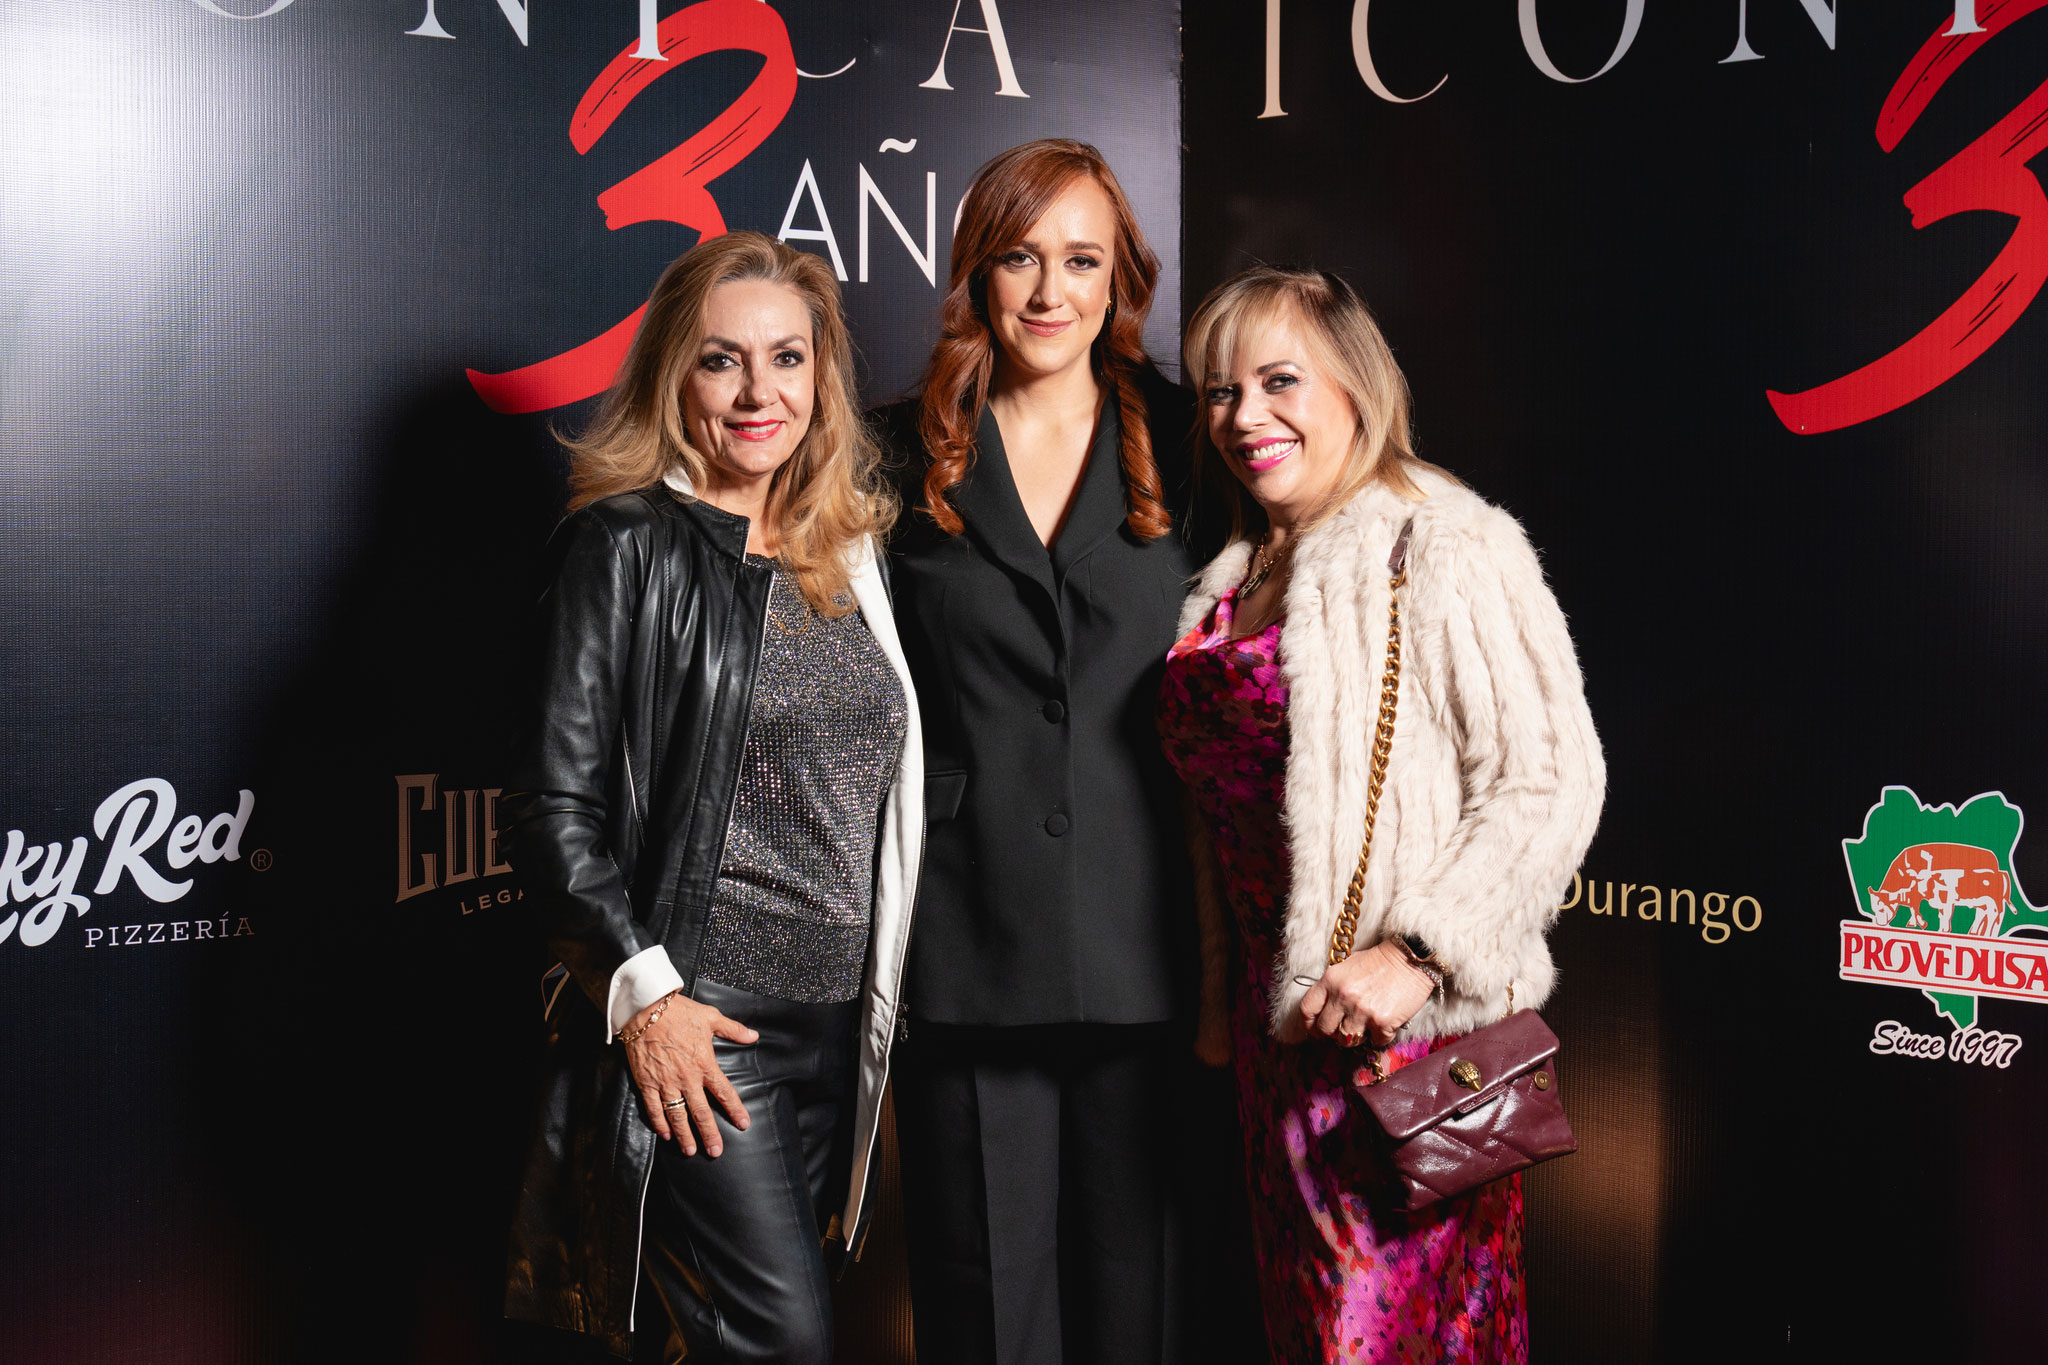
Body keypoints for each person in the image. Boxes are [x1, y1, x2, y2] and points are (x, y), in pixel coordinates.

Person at [1157, 266, 1604, 1364]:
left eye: (1279, 381)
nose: (1245, 417)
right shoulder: (1228, 577)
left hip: (1403, 1053)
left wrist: (1418, 952)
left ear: (1355, 386)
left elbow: (1553, 777)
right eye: (1220, 392)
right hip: (1277, 1056)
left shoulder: (1443, 540)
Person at [498, 230, 924, 1364]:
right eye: (721, 360)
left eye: (787, 358)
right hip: (710, 1026)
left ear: (820, 378)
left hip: (835, 1031)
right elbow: (548, 807)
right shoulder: (622, 544)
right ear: (674, 377)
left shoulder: (851, 555)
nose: (756, 393)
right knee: (781, 1346)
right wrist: (649, 1001)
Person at [874, 138, 1221, 1365]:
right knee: (983, 1310)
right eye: (1019, 257)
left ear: (1120, 276)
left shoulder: (1196, 442)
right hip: (964, 941)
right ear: (977, 269)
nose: (1048, 290)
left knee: (1140, 1308)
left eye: (1080, 260)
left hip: (1153, 942)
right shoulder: (891, 448)